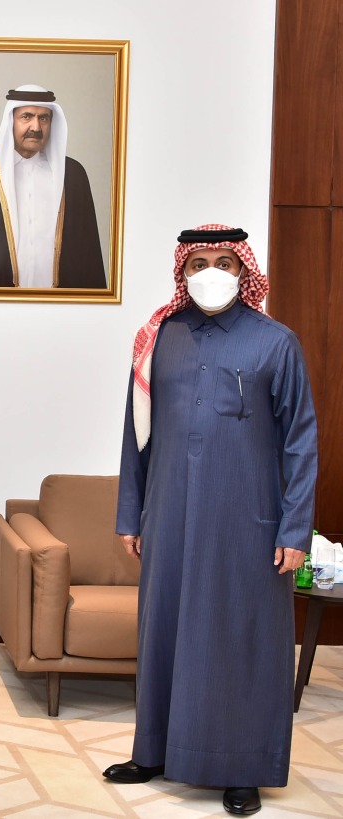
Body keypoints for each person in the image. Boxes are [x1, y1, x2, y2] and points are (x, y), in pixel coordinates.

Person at [106, 225, 318, 816]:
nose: (211, 271)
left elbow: (301, 442)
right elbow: (136, 437)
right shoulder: (160, 340)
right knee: (164, 633)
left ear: (244, 268)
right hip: (169, 516)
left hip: (248, 522)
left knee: (241, 641)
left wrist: (295, 530)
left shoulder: (276, 343)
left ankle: (243, 768)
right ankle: (153, 753)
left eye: (225, 260)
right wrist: (132, 513)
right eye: (198, 261)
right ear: (183, 269)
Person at [0, 84, 106, 289]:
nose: (36, 127)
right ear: (10, 121)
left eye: (43, 118)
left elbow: (88, 252)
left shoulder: (73, 174)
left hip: (59, 308)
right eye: (26, 116)